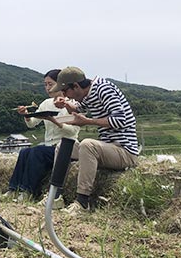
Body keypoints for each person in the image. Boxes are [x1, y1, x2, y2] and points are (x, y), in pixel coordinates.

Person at [51, 66, 139, 214]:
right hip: (108, 148)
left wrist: (88, 121)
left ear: (76, 86)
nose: (66, 95)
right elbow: (77, 109)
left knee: (87, 144)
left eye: (66, 91)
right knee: (63, 146)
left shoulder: (104, 89)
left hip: (125, 151)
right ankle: (55, 196)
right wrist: (66, 105)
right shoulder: (87, 94)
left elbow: (120, 120)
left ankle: (82, 202)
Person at [0, 69, 80, 201]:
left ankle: (28, 192)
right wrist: (26, 115)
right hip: (49, 147)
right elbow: (32, 124)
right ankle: (13, 189)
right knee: (25, 152)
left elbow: (73, 132)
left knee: (37, 152)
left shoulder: (72, 104)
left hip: (65, 148)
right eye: (45, 84)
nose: (47, 88)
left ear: (60, 84)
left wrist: (54, 121)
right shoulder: (46, 103)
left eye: (50, 84)